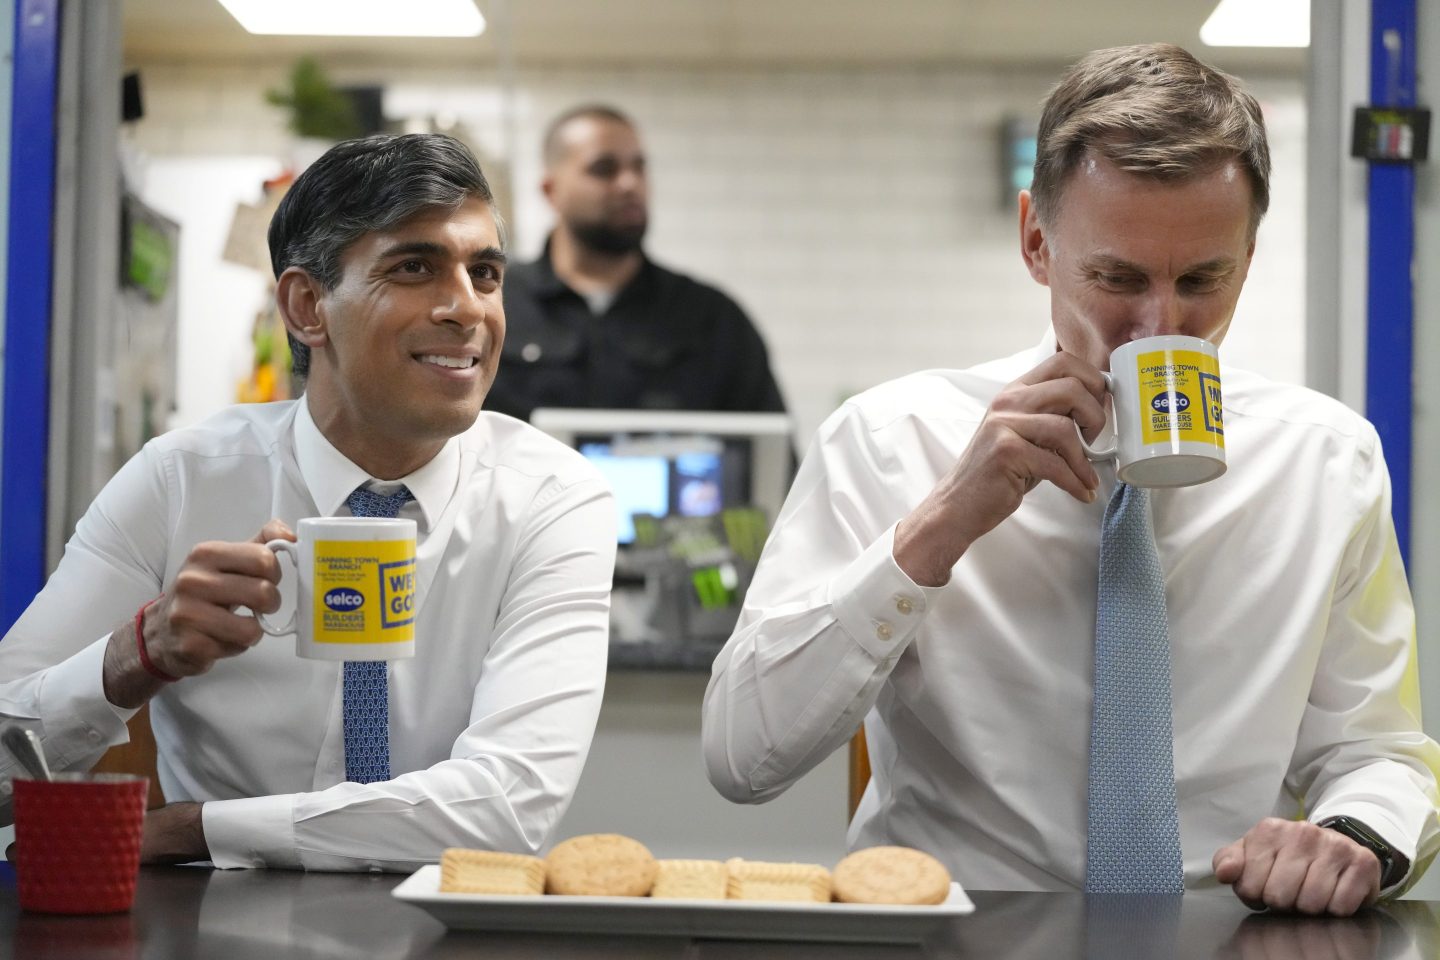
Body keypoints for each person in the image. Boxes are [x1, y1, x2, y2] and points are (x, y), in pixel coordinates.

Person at [701, 44, 1440, 916]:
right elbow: (742, 759)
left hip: (1224, 929)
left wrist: (1354, 836)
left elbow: (1380, 750)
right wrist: (936, 527)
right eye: (1117, 277)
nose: (1160, 325)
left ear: (1248, 254)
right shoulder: (892, 439)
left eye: (1205, 278)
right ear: (1036, 242)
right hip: (955, 926)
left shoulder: (1326, 461)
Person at [0, 134, 617, 870]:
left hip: (447, 930)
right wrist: (133, 657)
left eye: (484, 273)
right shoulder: (183, 480)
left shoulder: (553, 498)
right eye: (415, 267)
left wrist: (202, 828)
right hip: (210, 930)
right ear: (306, 305)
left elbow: (508, 806)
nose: (466, 308)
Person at [485, 105, 786, 420]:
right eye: (604, 169)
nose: (629, 184)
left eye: (638, 167)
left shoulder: (710, 318)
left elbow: (771, 456)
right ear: (551, 191)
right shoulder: (498, 304)